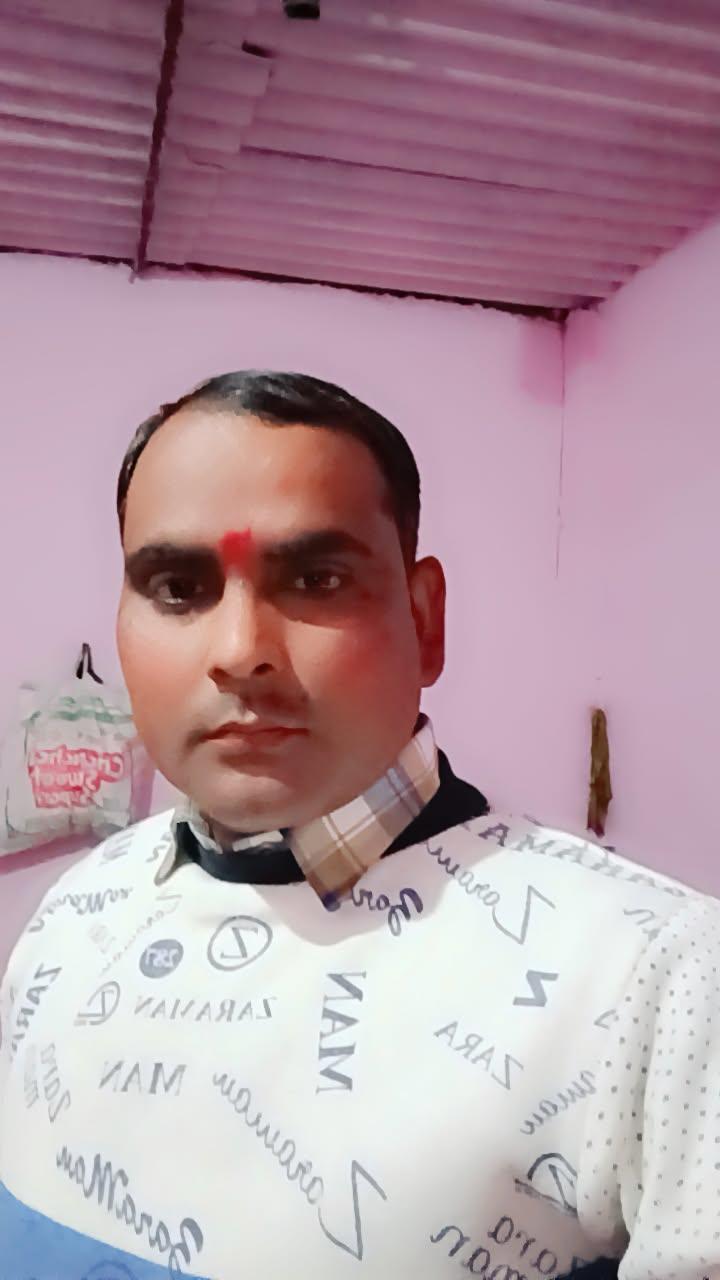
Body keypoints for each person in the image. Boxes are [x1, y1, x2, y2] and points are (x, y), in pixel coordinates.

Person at [0, 371, 717, 1280]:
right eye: (178, 587)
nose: (240, 652)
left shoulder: (664, 975)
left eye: (316, 579)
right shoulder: (75, 908)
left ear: (425, 618)